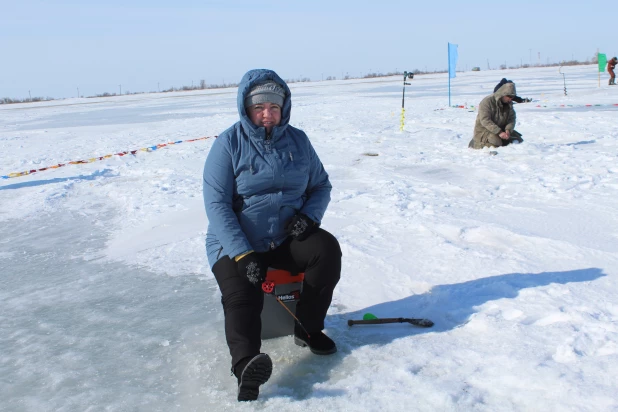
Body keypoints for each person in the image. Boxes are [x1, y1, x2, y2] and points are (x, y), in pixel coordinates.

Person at [202, 69, 342, 402]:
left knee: (326, 249)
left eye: (274, 107)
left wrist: (309, 218)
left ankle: (308, 327)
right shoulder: (228, 144)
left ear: (284, 108)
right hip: (234, 241)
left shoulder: (299, 141)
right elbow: (216, 204)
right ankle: (245, 365)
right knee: (242, 294)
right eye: (260, 107)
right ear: (246, 108)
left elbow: (321, 185)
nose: (268, 114)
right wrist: (241, 253)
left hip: (283, 238)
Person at [468, 81, 524, 149]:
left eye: (512, 97)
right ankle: (475, 143)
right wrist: (499, 132)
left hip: (501, 129)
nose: (510, 99)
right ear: (503, 94)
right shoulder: (487, 102)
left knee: (518, 140)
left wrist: (508, 130)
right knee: (496, 143)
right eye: (509, 96)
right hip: (485, 131)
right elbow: (485, 120)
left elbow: (511, 118)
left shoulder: (509, 103)